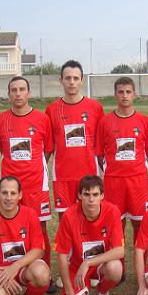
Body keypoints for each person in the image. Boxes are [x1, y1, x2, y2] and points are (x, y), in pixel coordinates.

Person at [0, 76, 56, 294]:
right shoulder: (0, 120)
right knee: (10, 228)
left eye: (22, 89)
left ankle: (45, 274)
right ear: (9, 94)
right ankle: (10, 270)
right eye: (13, 90)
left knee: (40, 229)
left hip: (36, 185)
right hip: (11, 188)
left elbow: (47, 150)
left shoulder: (42, 119)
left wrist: (34, 169)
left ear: (28, 93)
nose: (18, 93)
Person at [55, 175, 125, 295]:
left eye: (95, 195)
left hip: (99, 265)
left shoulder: (112, 211)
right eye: (86, 195)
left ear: (102, 195)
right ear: (80, 195)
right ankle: (82, 291)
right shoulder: (69, 215)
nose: (91, 200)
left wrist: (88, 262)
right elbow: (61, 256)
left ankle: (102, 292)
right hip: (76, 269)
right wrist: (69, 293)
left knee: (116, 268)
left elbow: (120, 251)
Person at [96, 77, 148, 244]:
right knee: (115, 224)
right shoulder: (105, 122)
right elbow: (100, 154)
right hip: (113, 182)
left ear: (134, 94)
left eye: (128, 92)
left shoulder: (144, 121)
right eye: (121, 92)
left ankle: (140, 266)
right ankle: (117, 266)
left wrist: (136, 168)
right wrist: (113, 170)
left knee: (140, 224)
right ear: (115, 94)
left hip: (138, 181)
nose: (125, 96)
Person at [45, 60, 104, 217]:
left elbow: (101, 144)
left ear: (82, 80)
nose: (72, 82)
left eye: (76, 78)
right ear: (61, 80)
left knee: (90, 218)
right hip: (62, 176)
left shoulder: (95, 108)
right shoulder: (51, 109)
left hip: (89, 174)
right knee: (65, 221)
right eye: (68, 78)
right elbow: (48, 146)